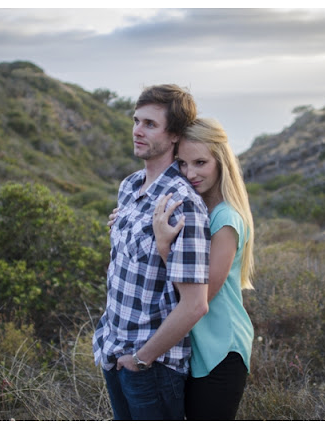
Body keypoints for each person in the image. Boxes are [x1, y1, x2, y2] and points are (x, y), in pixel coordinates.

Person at [93, 84, 211, 421]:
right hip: (114, 350)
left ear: (174, 135)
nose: (137, 131)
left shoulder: (182, 203)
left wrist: (141, 359)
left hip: (152, 366)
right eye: (136, 121)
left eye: (150, 124)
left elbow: (195, 304)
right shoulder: (129, 187)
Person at [151, 118, 255, 420]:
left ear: (221, 162)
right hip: (196, 347)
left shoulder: (225, 218)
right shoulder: (197, 208)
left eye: (200, 163)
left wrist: (164, 247)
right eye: (182, 164)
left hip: (222, 348)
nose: (190, 173)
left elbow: (201, 294)